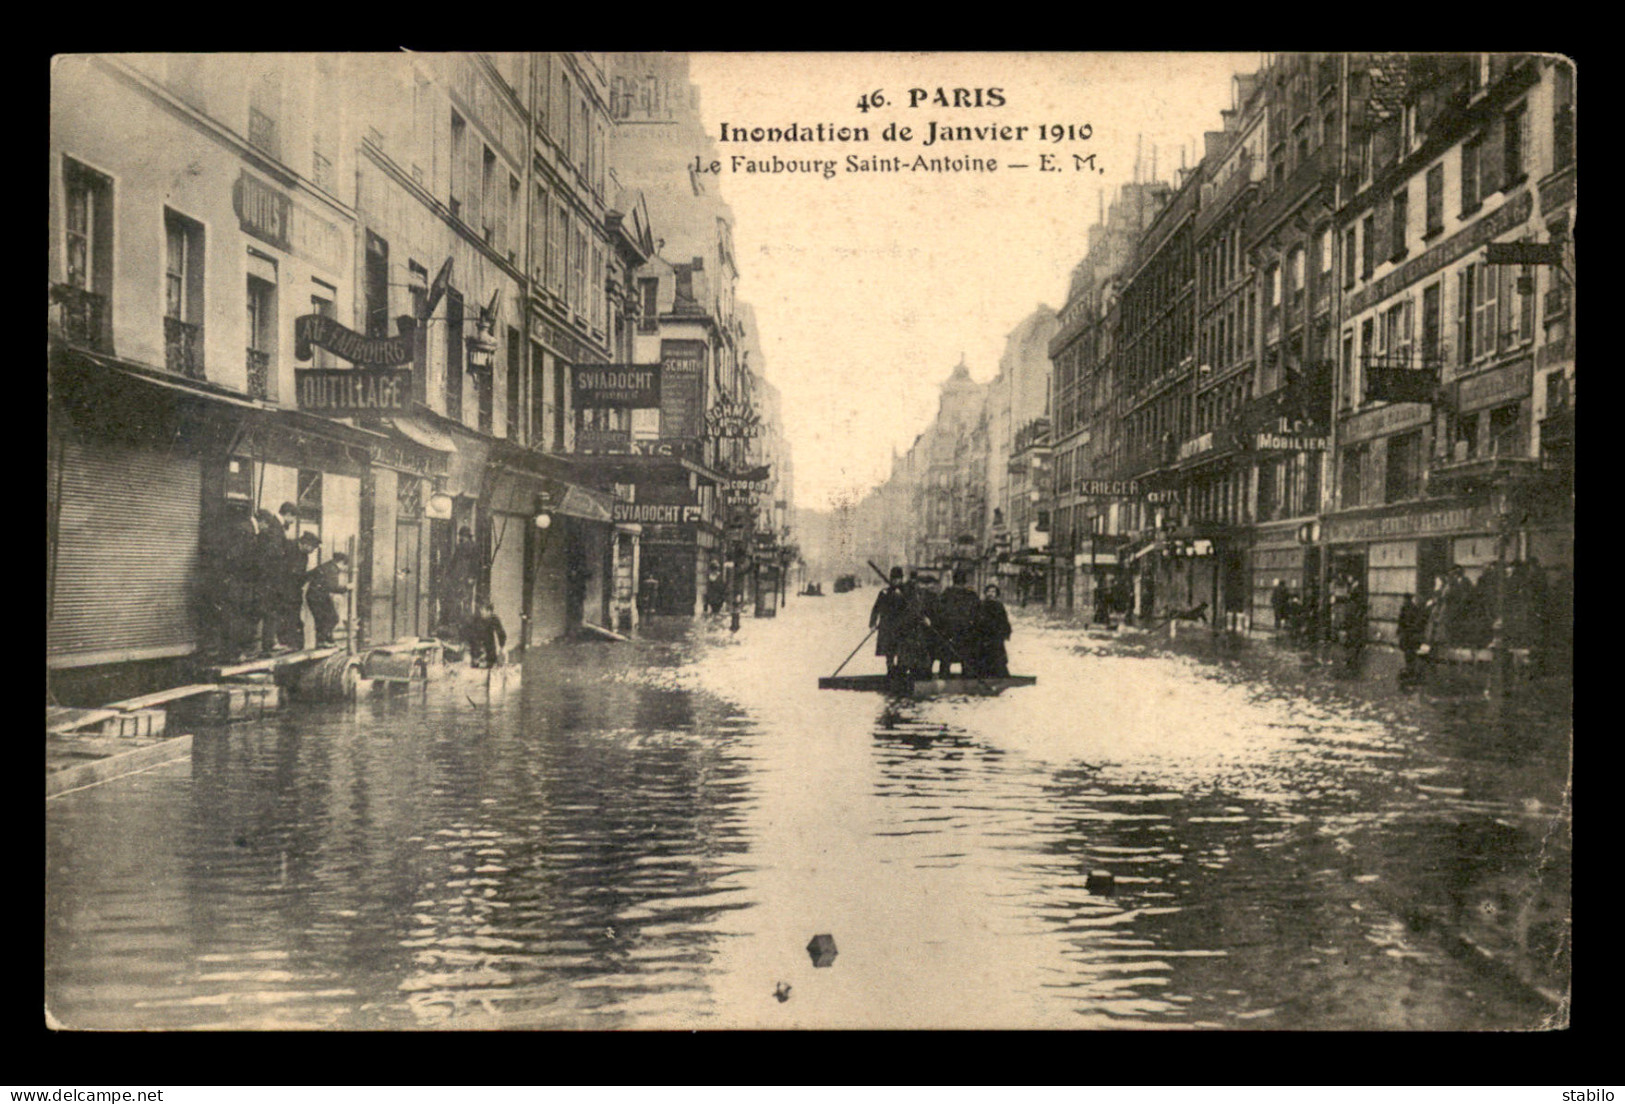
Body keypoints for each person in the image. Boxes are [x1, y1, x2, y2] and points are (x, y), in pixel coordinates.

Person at [301, 536, 349, 646]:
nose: (345, 569)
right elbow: (333, 587)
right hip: (317, 597)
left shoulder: (326, 565)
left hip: (317, 595)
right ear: (341, 562)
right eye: (345, 565)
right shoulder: (333, 569)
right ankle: (324, 641)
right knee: (330, 618)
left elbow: (308, 575)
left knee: (325, 618)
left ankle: (325, 640)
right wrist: (347, 587)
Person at [934, 571, 982, 677]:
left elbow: (938, 614)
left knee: (947, 661)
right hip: (964, 634)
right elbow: (978, 615)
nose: (959, 586)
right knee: (966, 662)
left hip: (950, 634)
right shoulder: (971, 595)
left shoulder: (946, 594)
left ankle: (945, 681)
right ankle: (967, 683)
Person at [895, 571, 935, 680]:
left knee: (918, 657)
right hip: (908, 630)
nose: (923, 586)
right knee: (906, 656)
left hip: (919, 630)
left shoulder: (923, 594)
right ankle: (902, 680)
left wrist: (925, 618)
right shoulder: (908, 592)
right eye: (921, 583)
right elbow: (906, 611)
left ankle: (917, 678)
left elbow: (924, 609)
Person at [869, 566, 908, 676]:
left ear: (902, 579)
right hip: (888, 628)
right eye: (894, 579)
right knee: (889, 652)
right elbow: (876, 608)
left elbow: (912, 607)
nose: (896, 581)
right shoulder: (884, 593)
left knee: (903, 653)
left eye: (898, 579)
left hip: (903, 628)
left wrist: (901, 596)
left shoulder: (906, 592)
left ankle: (901, 673)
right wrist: (872, 623)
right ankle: (890, 671)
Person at [972, 584, 1013, 677]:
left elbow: (1004, 620)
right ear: (985, 593)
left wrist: (1006, 632)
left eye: (993, 592)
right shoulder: (981, 605)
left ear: (996, 594)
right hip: (984, 636)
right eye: (989, 591)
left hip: (996, 637)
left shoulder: (999, 606)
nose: (991, 594)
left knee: (997, 657)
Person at [463, 600, 507, 668]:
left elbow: (501, 634)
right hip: (477, 648)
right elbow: (470, 635)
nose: (481, 612)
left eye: (483, 610)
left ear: (489, 611)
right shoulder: (476, 620)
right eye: (480, 609)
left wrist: (502, 647)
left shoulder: (494, 619)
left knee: (490, 667)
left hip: (489, 648)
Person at [1397, 593, 1428, 684]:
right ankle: (1409, 668)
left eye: (1406, 599)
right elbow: (1401, 620)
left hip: (1410, 634)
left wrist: (1407, 629)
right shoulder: (1406, 608)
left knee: (1410, 652)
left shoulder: (1413, 609)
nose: (1404, 601)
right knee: (1407, 651)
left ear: (1409, 600)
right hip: (1406, 634)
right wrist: (1399, 630)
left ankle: (1411, 669)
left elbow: (1415, 622)